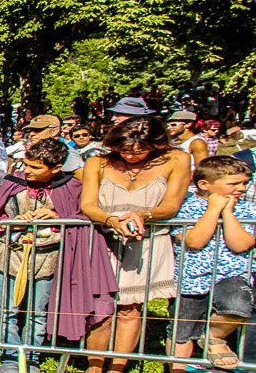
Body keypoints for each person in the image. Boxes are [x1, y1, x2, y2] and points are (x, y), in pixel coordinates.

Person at [0, 139, 108, 373]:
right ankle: (9, 359)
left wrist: (56, 214)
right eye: (26, 164)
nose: (27, 171)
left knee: (37, 311)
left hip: (47, 258)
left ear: (56, 168)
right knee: (6, 309)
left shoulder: (70, 187)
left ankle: (31, 358)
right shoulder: (13, 183)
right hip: (9, 255)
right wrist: (10, 223)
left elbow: (80, 218)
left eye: (35, 167)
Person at [79, 116, 193, 373]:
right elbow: (88, 204)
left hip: (147, 240)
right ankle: (94, 366)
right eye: (124, 149)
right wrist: (111, 219)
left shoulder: (177, 159)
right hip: (104, 237)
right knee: (101, 307)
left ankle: (118, 367)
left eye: (140, 149)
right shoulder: (97, 162)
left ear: (156, 143)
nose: (131, 155)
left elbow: (171, 205)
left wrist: (142, 214)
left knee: (130, 308)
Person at [167, 156, 255, 372]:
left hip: (232, 275)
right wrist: (213, 210)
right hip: (191, 279)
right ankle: (176, 369)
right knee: (182, 331)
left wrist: (227, 213)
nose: (241, 189)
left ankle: (214, 336)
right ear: (204, 184)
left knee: (238, 307)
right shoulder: (186, 206)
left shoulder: (247, 209)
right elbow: (196, 241)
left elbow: (241, 244)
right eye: (233, 184)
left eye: (244, 183)